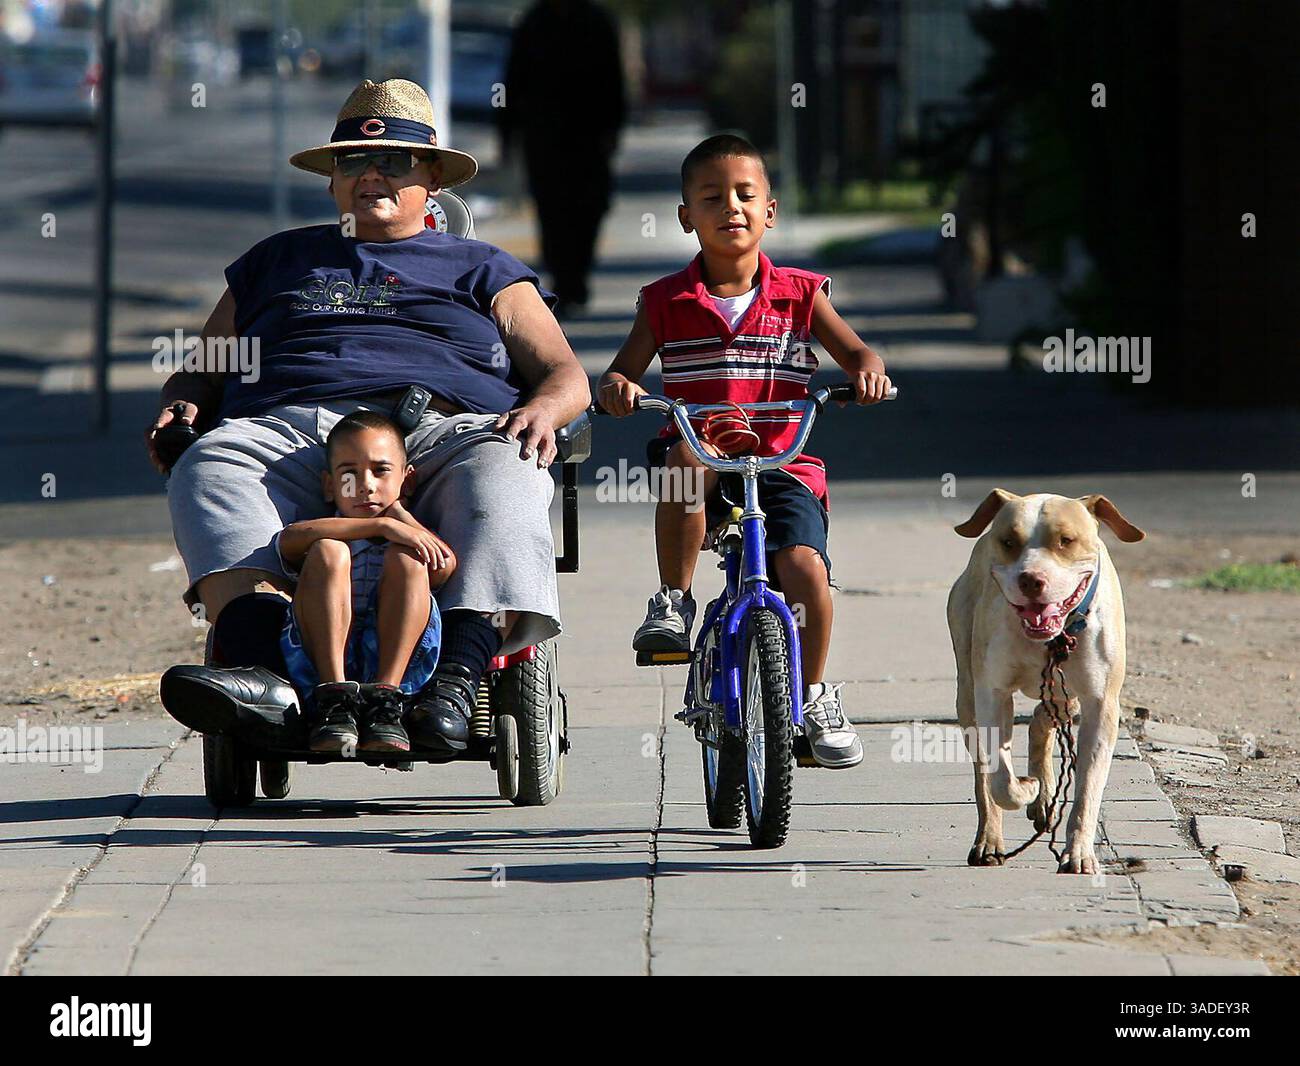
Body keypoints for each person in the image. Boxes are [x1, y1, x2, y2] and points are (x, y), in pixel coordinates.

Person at [146, 79, 590, 753]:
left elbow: (564, 372)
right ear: (332, 181)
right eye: (353, 160)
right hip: (289, 432)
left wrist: (542, 409)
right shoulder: (276, 260)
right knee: (208, 463)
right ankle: (265, 678)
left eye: (396, 162)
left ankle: (455, 685)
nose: (373, 173)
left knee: (509, 468)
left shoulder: (484, 267)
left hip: (439, 433)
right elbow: (204, 369)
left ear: (433, 177)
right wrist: (182, 402)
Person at [597, 134, 892, 770]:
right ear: (686, 217)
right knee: (683, 461)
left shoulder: (801, 294)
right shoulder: (665, 301)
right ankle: (673, 601)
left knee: (806, 571)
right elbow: (623, 372)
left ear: (770, 211)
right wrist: (619, 388)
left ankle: (812, 695)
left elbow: (857, 353)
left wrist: (868, 371)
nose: (731, 206)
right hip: (701, 453)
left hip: (786, 460)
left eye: (744, 195)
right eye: (712, 197)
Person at [276, 411, 454, 754]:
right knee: (329, 551)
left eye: (381, 471)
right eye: (349, 474)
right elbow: (289, 540)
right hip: (320, 659)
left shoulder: (409, 533)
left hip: (397, 663)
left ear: (407, 479)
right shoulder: (324, 529)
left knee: (408, 557)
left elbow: (444, 566)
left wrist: (399, 515)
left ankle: (385, 702)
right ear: (330, 486)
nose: (366, 485)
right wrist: (379, 527)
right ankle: (334, 698)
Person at [499, 0, 625, 317]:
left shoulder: (597, 21)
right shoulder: (532, 23)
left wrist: (613, 130)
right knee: (551, 210)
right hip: (544, 138)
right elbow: (512, 82)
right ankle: (562, 281)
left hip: (589, 137)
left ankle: (577, 279)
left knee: (589, 209)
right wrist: (506, 135)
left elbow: (614, 79)